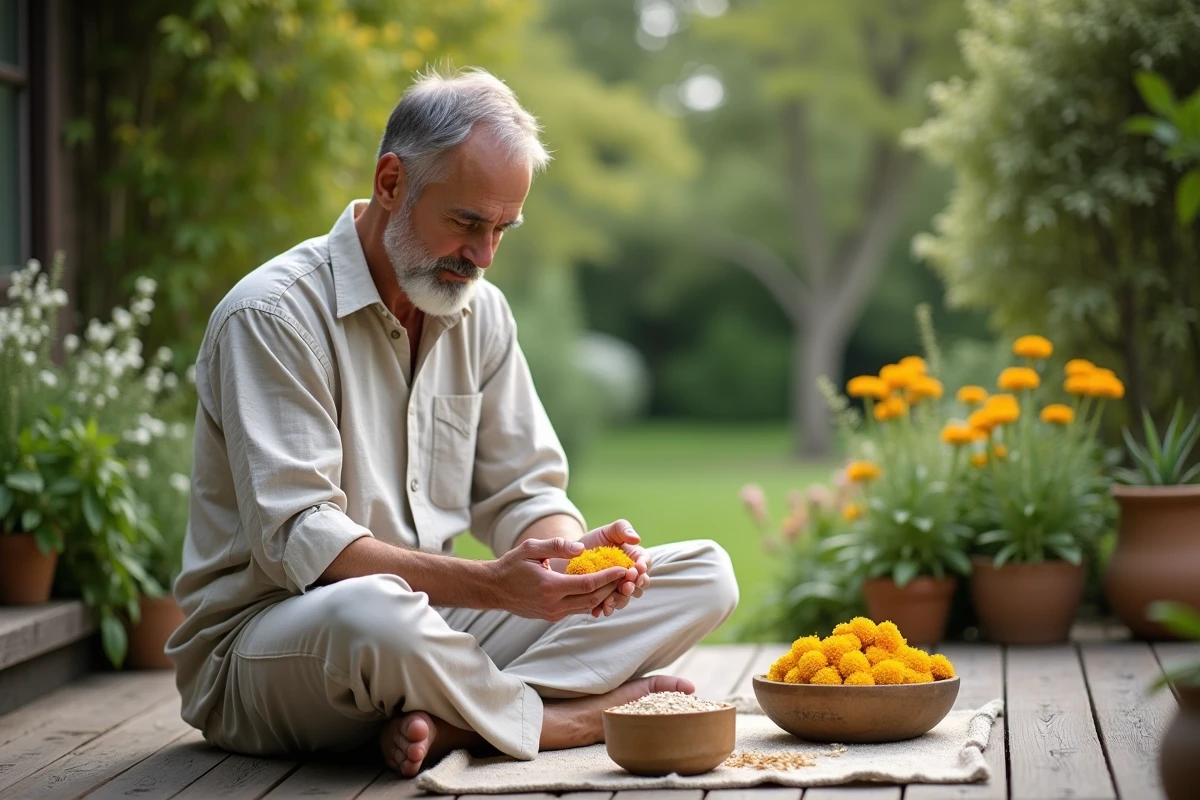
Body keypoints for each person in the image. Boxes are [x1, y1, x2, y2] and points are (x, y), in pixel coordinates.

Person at [167, 66, 739, 777]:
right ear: (390, 183)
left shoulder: (481, 312)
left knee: (705, 574)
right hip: (276, 646)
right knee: (370, 613)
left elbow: (525, 492)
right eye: (468, 222)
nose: (485, 256)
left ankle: (455, 724)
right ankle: (564, 720)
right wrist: (495, 587)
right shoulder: (272, 316)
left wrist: (568, 564)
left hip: (431, 630)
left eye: (503, 228)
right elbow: (300, 543)